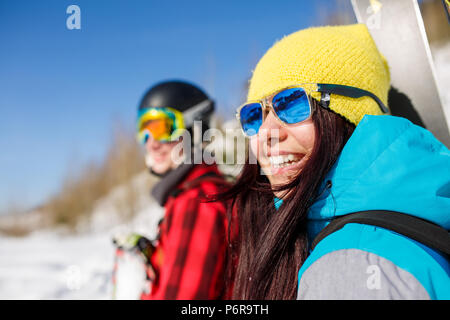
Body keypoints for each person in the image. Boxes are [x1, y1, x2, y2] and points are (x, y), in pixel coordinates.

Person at [225, 24, 450, 300]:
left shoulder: (351, 267)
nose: (266, 133)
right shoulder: (395, 223)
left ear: (348, 115)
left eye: (291, 103)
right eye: (254, 115)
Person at [136, 80, 229, 299]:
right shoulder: (187, 194)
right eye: (145, 130)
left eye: (160, 128)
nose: (151, 143)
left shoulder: (197, 201)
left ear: (194, 128)